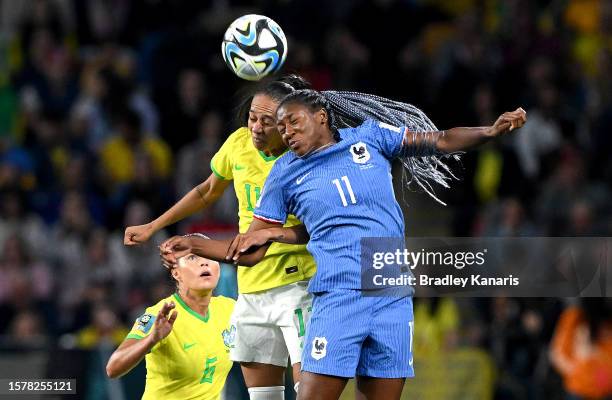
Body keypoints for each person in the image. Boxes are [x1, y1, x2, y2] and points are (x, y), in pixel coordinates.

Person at [161, 89, 527, 400]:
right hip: (339, 295)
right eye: (281, 126)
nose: (285, 132)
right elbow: (250, 251)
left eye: (293, 122)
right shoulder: (284, 174)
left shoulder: (369, 137)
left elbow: (441, 140)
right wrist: (194, 243)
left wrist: (490, 131)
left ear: (321, 116)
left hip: (391, 293)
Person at [124, 75, 316, 399]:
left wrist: (203, 243)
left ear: (286, 124)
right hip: (252, 289)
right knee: (264, 397)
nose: (255, 127)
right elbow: (206, 192)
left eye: (266, 121)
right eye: (252, 117)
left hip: (298, 286)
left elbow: (316, 226)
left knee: (310, 392)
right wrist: (153, 226)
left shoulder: (305, 158)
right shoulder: (238, 144)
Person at [106, 234, 235, 400]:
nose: (204, 262)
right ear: (176, 273)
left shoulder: (229, 309)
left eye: (209, 256)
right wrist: (151, 339)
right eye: (192, 257)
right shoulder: (158, 315)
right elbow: (113, 368)